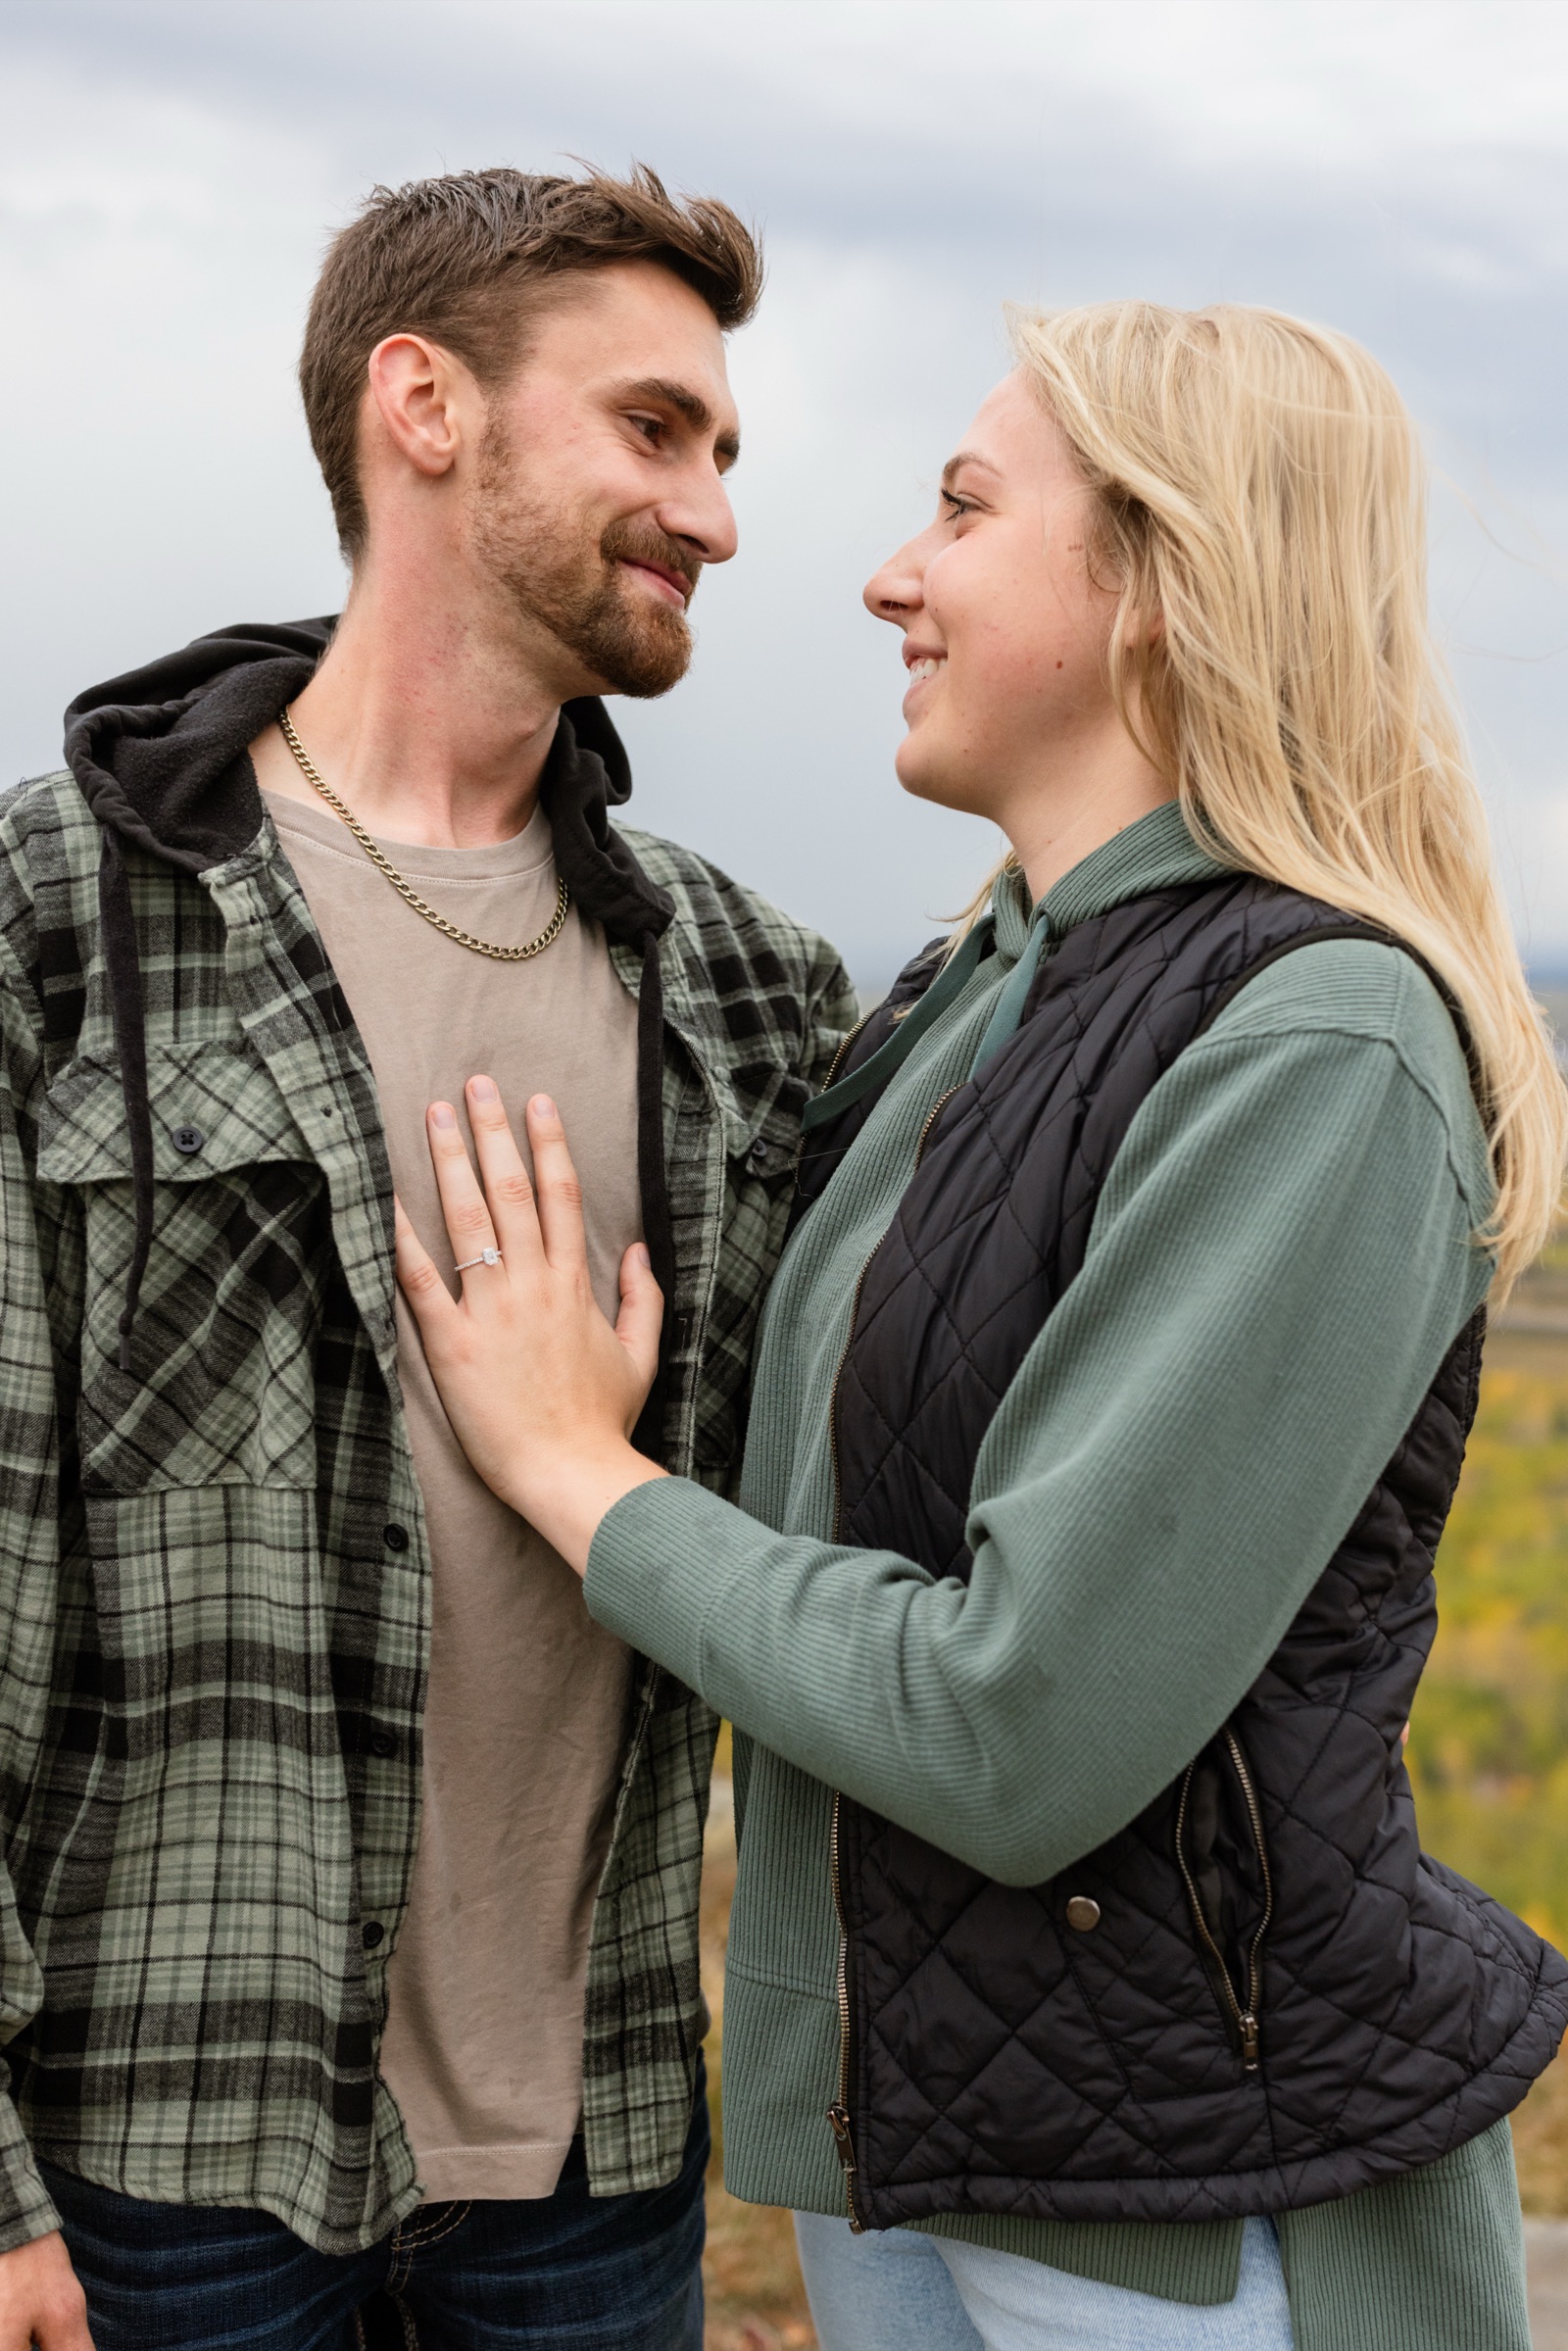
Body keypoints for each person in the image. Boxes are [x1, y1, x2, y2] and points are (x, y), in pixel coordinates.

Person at [395, 300, 1568, 2351]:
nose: (885, 576)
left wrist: (579, 1474)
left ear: (1160, 576)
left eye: (959, 509)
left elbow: (1013, 1731)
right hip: (910, 2157)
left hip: (1188, 2220)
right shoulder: (974, 991)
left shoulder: (1316, 1041)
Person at [0, 166, 854, 2350]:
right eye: (654, 429)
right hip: (152, 2157)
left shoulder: (748, 990)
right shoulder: (60, 922)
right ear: (424, 405)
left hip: (595, 2159)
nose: (715, 514)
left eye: (722, 449)